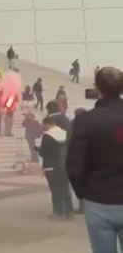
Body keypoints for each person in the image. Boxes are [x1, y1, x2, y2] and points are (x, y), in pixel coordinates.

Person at [67, 67, 123, 253]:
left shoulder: (86, 120)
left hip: (98, 200)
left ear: (97, 88)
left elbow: (74, 165)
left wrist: (84, 193)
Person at [38, 116, 73, 220]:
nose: (42, 126)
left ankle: (58, 211)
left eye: (43, 124)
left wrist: (38, 149)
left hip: (51, 166)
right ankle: (69, 211)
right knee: (65, 188)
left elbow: (43, 152)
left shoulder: (48, 136)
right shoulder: (64, 133)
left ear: (47, 123)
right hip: (64, 165)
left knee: (55, 189)